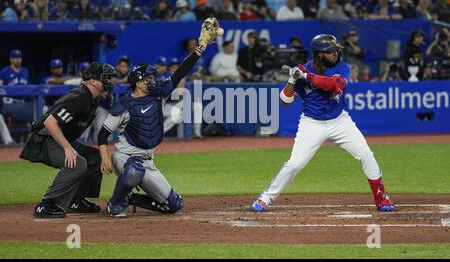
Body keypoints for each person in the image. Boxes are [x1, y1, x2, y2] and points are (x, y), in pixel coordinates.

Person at [251, 34, 395, 213]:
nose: (336, 53)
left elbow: (333, 84)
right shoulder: (304, 70)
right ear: (319, 54)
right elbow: (284, 101)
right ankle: (266, 198)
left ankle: (382, 198)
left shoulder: (343, 67)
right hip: (312, 123)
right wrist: (292, 79)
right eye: (331, 51)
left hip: (339, 121)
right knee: (295, 163)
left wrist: (306, 76)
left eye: (336, 50)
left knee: (366, 155)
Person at [98, 18, 220, 217]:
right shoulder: (125, 104)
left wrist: (200, 48)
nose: (153, 81)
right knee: (134, 170)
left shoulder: (157, 94)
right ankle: (116, 204)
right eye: (148, 79)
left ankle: (131, 199)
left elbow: (179, 72)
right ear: (138, 84)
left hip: (148, 161)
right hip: (124, 158)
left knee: (174, 205)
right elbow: (103, 134)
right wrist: (105, 157)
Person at [19, 62, 116, 218]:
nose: (110, 81)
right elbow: (49, 122)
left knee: (93, 157)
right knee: (77, 164)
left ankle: (75, 200)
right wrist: (67, 148)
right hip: (43, 139)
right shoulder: (80, 98)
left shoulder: (91, 98)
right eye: (106, 78)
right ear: (93, 81)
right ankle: (47, 204)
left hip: (55, 138)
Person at [0, 49, 34, 125]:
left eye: (19, 57)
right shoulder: (4, 72)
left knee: (41, 110)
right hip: (9, 104)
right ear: (10, 59)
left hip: (24, 103)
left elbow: (29, 87)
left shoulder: (25, 71)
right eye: (15, 57)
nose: (18, 59)